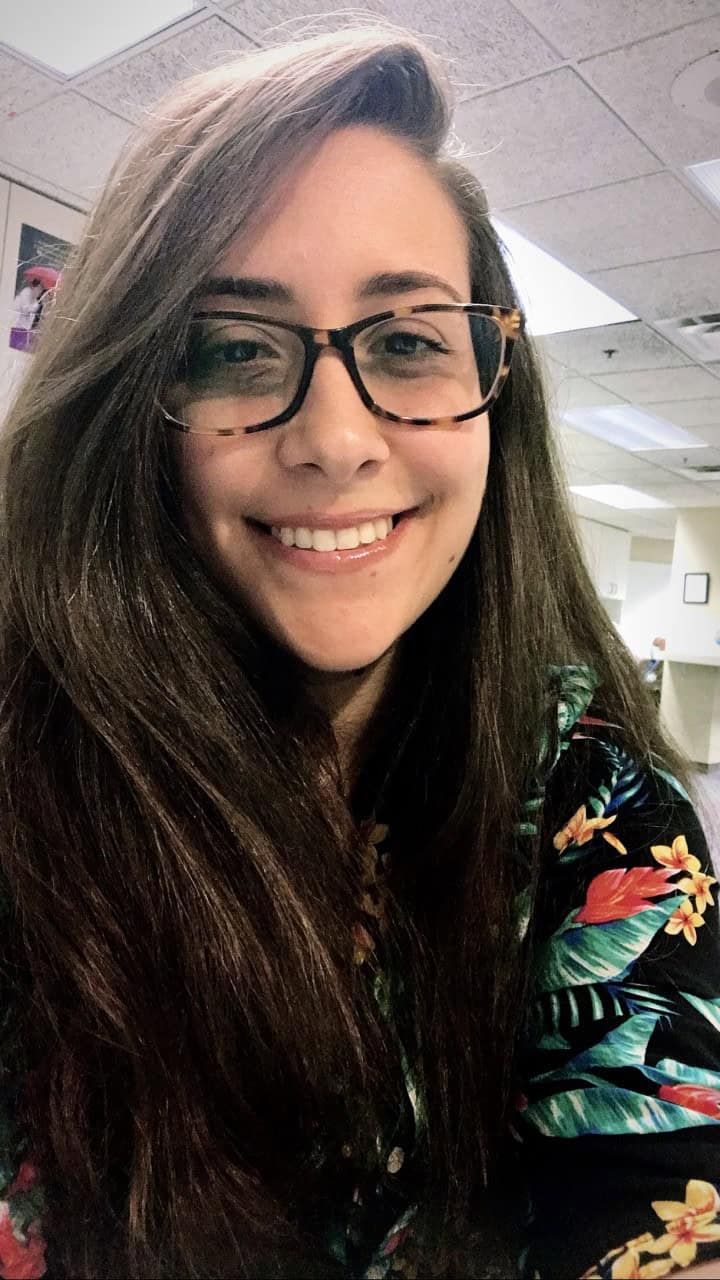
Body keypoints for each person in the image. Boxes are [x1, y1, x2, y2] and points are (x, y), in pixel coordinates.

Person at [0, 26, 718, 1280]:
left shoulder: (597, 804)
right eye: (235, 345)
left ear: (497, 390)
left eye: (406, 340)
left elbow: (660, 1198)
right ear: (132, 408)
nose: (337, 440)